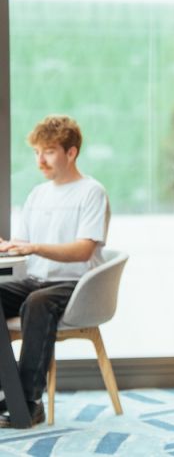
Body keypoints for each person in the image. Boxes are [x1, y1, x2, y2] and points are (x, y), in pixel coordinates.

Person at [0, 115, 109, 428]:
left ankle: (28, 401)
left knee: (38, 303)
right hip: (36, 280)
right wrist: (10, 245)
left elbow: (83, 250)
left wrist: (34, 247)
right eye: (36, 153)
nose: (40, 160)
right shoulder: (38, 194)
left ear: (71, 152)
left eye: (47, 152)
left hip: (76, 284)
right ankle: (5, 391)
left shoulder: (91, 192)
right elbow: (27, 243)